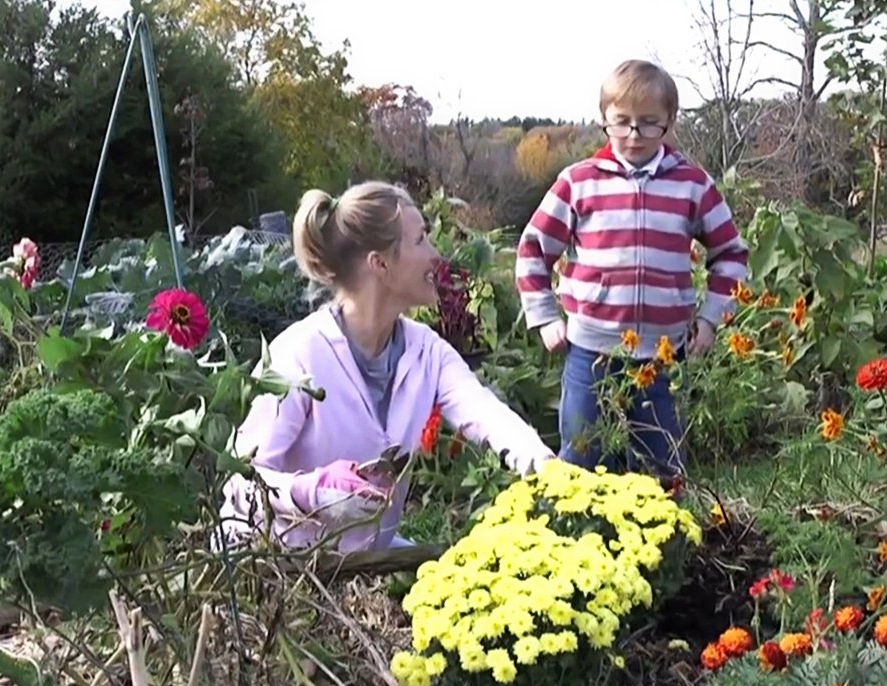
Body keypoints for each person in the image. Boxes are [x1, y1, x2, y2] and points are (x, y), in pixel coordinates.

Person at [217, 181, 555, 554]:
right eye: (420, 240)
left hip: (364, 565)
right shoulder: (301, 355)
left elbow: (485, 413)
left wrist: (543, 463)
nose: (435, 254)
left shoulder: (425, 351)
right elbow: (241, 482)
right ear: (379, 263)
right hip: (276, 569)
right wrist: (314, 491)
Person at [514, 59, 750, 476]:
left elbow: (731, 253)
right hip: (591, 352)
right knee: (583, 462)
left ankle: (666, 541)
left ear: (670, 122)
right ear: (603, 119)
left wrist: (711, 319)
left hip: (663, 355)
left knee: (661, 467)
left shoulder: (692, 185)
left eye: (649, 123)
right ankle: (581, 537)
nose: (634, 135)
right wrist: (545, 316)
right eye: (621, 122)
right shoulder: (579, 182)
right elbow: (533, 249)